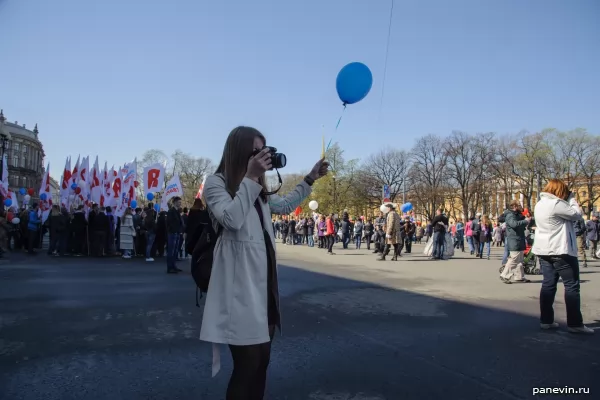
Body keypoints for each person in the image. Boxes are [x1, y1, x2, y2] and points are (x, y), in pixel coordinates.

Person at [199, 126, 329, 399]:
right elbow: (231, 219)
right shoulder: (216, 183)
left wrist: (310, 179)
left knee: (262, 363)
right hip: (238, 288)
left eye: (265, 151)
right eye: (256, 151)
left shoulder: (257, 189)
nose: (263, 157)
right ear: (240, 152)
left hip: (263, 285)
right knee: (247, 366)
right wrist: (251, 177)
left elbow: (283, 205)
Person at [532, 179, 593, 334]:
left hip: (544, 250)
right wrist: (572, 198)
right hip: (560, 250)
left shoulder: (540, 204)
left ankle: (546, 320)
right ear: (560, 191)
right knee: (571, 286)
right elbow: (577, 215)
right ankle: (575, 323)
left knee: (548, 285)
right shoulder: (556, 204)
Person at [499, 200, 531, 284]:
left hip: (518, 238)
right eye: (519, 205)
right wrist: (526, 221)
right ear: (514, 206)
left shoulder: (516, 214)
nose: (520, 207)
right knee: (514, 259)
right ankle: (504, 275)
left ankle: (519, 276)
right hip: (514, 239)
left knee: (520, 259)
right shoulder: (510, 215)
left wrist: (526, 220)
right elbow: (514, 224)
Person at [166, 197, 183, 273]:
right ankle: (170, 267)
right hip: (172, 233)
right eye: (179, 202)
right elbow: (169, 222)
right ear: (175, 202)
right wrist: (173, 229)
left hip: (177, 232)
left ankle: (174, 266)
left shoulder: (177, 211)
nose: (180, 203)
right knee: (171, 250)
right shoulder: (171, 211)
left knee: (175, 250)